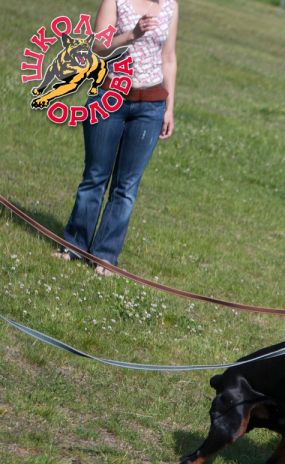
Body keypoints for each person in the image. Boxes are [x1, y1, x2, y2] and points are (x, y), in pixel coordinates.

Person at [54, 0, 179, 276]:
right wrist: (132, 34)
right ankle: (74, 246)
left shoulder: (171, 6)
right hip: (109, 98)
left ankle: (105, 255)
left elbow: (169, 57)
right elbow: (98, 47)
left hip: (150, 106)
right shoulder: (116, 1)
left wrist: (169, 108)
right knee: (95, 176)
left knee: (127, 186)